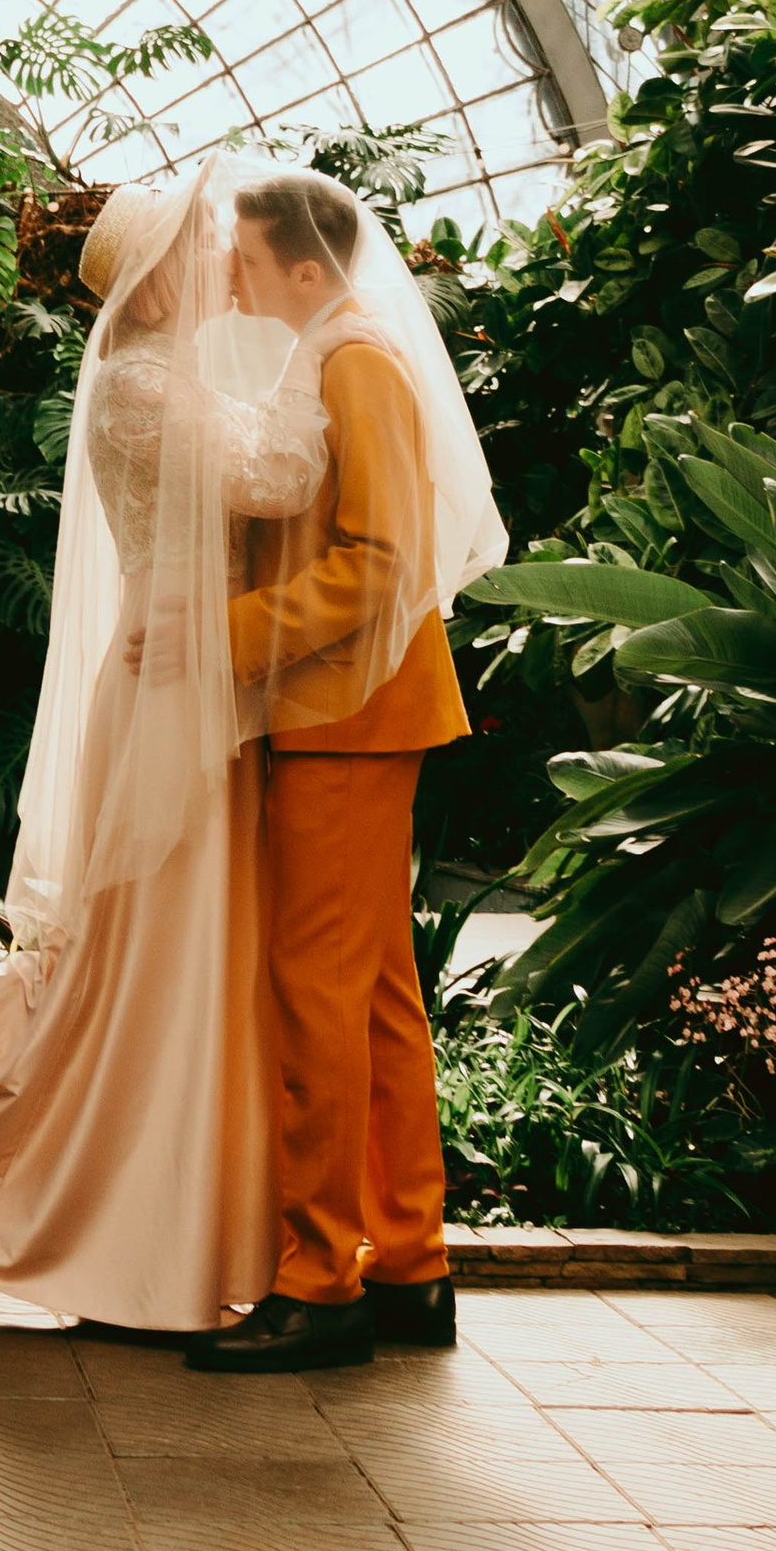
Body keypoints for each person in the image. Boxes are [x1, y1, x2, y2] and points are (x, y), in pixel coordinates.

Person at [0, 167, 331, 1332]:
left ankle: (155, 1241)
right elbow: (277, 476)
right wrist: (321, 351)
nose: (218, 261)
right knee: (148, 968)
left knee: (147, 969)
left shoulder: (164, 381)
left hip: (187, 678)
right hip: (168, 695)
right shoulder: (147, 387)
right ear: (148, 291)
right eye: (201, 249)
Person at [185, 165, 507, 1374]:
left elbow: (379, 560)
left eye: (251, 262)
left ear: (306, 272)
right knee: (371, 995)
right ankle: (411, 1266)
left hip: (347, 712)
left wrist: (220, 636)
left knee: (316, 993)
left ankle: (322, 1282)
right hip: (358, 711)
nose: (233, 276)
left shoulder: (352, 361)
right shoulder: (336, 353)